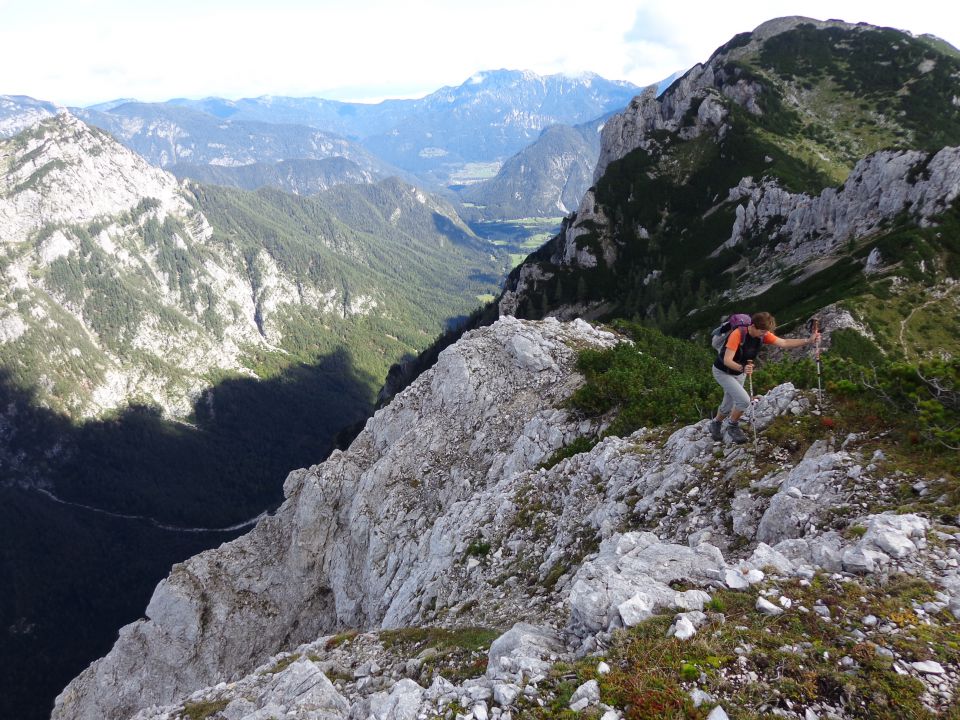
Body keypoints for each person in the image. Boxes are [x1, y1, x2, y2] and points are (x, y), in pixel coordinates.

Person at [708, 312, 819, 444]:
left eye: (766, 332)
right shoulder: (737, 334)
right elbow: (727, 360)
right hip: (723, 371)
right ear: (753, 326)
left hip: (740, 372)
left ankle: (716, 423)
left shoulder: (763, 334)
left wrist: (808, 340)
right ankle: (732, 425)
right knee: (743, 401)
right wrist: (742, 368)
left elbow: (784, 342)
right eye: (762, 331)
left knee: (729, 402)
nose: (764, 334)